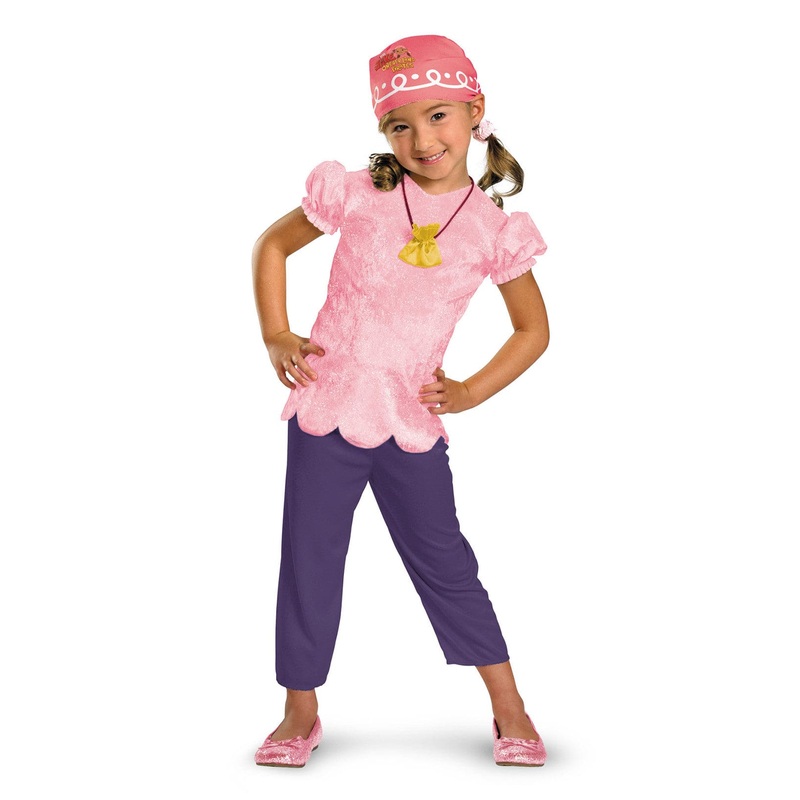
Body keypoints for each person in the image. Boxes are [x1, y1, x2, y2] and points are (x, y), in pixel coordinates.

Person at [251, 34, 550, 768]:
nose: (423, 139)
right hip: (325, 409)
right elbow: (272, 245)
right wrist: (277, 334)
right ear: (382, 130)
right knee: (309, 558)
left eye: (439, 116)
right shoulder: (359, 193)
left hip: (410, 421)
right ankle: (299, 710)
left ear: (475, 112)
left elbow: (533, 330)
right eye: (400, 125)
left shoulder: (492, 230)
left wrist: (470, 390)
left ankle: (509, 705)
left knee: (444, 560)